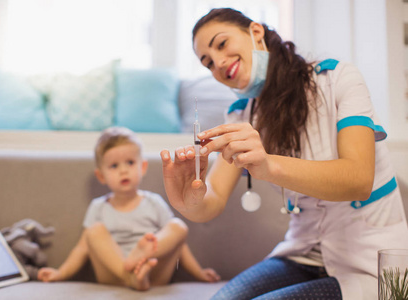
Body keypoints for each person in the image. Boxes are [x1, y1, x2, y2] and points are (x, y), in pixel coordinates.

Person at [160, 7, 408, 300]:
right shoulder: (242, 116)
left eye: (222, 44)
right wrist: (188, 201)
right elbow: (211, 199)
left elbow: (358, 179)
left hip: (367, 259)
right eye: (208, 63)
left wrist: (268, 165)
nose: (218, 63)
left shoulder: (339, 78)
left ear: (255, 32)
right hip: (302, 254)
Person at [38, 126, 220, 291]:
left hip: (152, 275)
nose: (123, 171)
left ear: (143, 166)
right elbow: (82, 249)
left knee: (178, 227)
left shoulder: (153, 202)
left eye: (130, 163)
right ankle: (130, 274)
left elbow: (179, 246)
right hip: (113, 276)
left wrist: (199, 273)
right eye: (114, 166)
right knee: (93, 232)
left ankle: (139, 271)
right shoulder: (99, 207)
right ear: (101, 176)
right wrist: (60, 273)